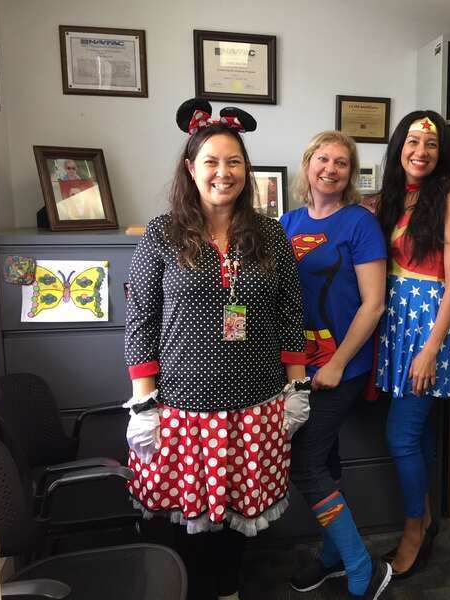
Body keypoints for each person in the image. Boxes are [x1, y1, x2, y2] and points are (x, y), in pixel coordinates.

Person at [123, 98, 308, 600]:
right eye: (211, 162)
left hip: (255, 406)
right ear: (190, 168)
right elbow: (141, 318)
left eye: (234, 162)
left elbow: (291, 314)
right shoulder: (162, 233)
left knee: (233, 519)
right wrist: (144, 403)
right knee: (187, 521)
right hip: (181, 408)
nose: (223, 173)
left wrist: (296, 387)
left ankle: (226, 592)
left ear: (246, 170)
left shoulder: (271, 235)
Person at [280, 131, 391, 599]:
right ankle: (330, 557)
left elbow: (373, 304)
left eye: (341, 162)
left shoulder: (360, 224)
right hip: (295, 368)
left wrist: (337, 364)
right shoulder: (284, 222)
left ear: (350, 173)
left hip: (340, 366)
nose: (330, 168)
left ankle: (361, 565)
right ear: (307, 165)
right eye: (322, 159)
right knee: (322, 458)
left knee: (305, 465)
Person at [375, 111, 450, 578]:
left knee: (401, 435)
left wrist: (431, 348)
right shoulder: (394, 197)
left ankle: (415, 528)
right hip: (396, 322)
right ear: (399, 147)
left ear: (442, 152)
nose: (421, 152)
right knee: (420, 436)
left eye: (431, 145)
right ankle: (428, 518)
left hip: (427, 327)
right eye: (412, 141)